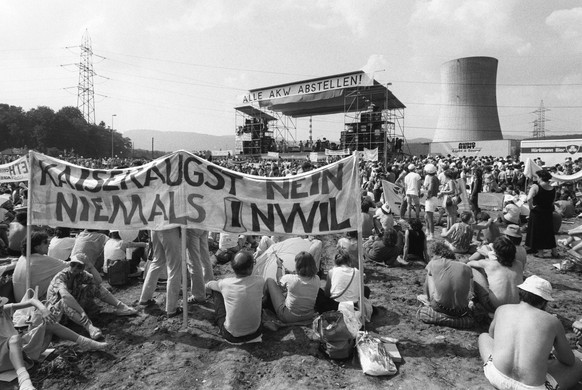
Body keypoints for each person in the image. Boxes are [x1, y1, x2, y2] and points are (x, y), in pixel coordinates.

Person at [478, 275, 582, 389]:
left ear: (521, 293)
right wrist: (551, 345)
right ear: (544, 302)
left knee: (484, 336)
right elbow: (569, 361)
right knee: (578, 363)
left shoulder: (502, 309)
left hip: (497, 377)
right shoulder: (552, 321)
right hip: (531, 388)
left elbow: (492, 336)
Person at [0, 295, 108, 390]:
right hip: (5, 358)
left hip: (19, 350)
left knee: (48, 324)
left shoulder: (4, 310)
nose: (1, 307)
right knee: (14, 339)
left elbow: (32, 301)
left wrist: (44, 310)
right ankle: (24, 381)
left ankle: (86, 342)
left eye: (1, 305)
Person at [47, 255, 137, 340]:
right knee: (64, 301)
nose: (75, 268)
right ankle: (89, 327)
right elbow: (65, 296)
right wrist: (81, 311)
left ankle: (121, 307)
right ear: (69, 263)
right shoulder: (61, 277)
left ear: (82, 268)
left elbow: (98, 281)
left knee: (94, 287)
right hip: (57, 314)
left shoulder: (80, 274)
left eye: (79, 266)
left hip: (73, 309)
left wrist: (91, 266)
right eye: (73, 264)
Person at [205, 251, 264, 345]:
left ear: (232, 268)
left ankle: (219, 322)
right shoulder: (260, 281)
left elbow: (209, 285)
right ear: (251, 268)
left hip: (231, 336)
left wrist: (208, 284)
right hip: (256, 332)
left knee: (216, 291)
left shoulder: (225, 283)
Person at [418, 241, 473, 323]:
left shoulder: (433, 263)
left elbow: (427, 269)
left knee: (430, 274)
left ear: (435, 255)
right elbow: (471, 292)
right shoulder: (467, 267)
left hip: (440, 307)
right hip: (462, 310)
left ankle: (428, 301)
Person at [467, 236, 524, 313]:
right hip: (515, 307)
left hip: (493, 307)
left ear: (496, 253)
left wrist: (486, 254)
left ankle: (471, 297)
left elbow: (469, 263)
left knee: (474, 268)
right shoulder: (519, 264)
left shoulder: (489, 264)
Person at [264, 251, 319, 324]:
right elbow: (303, 278)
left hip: (289, 317)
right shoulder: (317, 278)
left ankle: (263, 302)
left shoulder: (290, 279)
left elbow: (279, 279)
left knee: (269, 280)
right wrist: (292, 274)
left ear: (298, 266)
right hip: (308, 315)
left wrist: (279, 265)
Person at [138, 228, 182, 317]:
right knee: (174, 266)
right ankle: (171, 308)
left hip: (156, 227)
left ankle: (145, 298)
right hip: (170, 227)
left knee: (158, 261)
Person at [13, 231, 67, 302]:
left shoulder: (22, 257)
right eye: (45, 242)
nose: (49, 243)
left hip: (19, 301)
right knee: (63, 277)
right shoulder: (41, 259)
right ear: (36, 247)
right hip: (32, 303)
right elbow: (68, 266)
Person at [525, 169, 558, 258]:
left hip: (537, 212)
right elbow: (553, 201)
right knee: (549, 231)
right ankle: (554, 251)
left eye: (537, 177)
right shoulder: (553, 188)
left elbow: (528, 198)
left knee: (538, 231)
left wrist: (531, 207)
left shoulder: (536, 187)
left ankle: (540, 253)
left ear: (540, 177)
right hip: (547, 211)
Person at [185, 228, 214, 304]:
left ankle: (198, 295)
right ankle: (209, 288)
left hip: (192, 224)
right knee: (205, 257)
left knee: (194, 261)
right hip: (203, 223)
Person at [423, 163, 440, 240]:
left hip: (431, 199)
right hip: (435, 198)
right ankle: (427, 231)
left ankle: (432, 235)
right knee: (426, 216)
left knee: (430, 219)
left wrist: (427, 196)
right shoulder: (436, 178)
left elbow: (430, 189)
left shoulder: (432, 178)